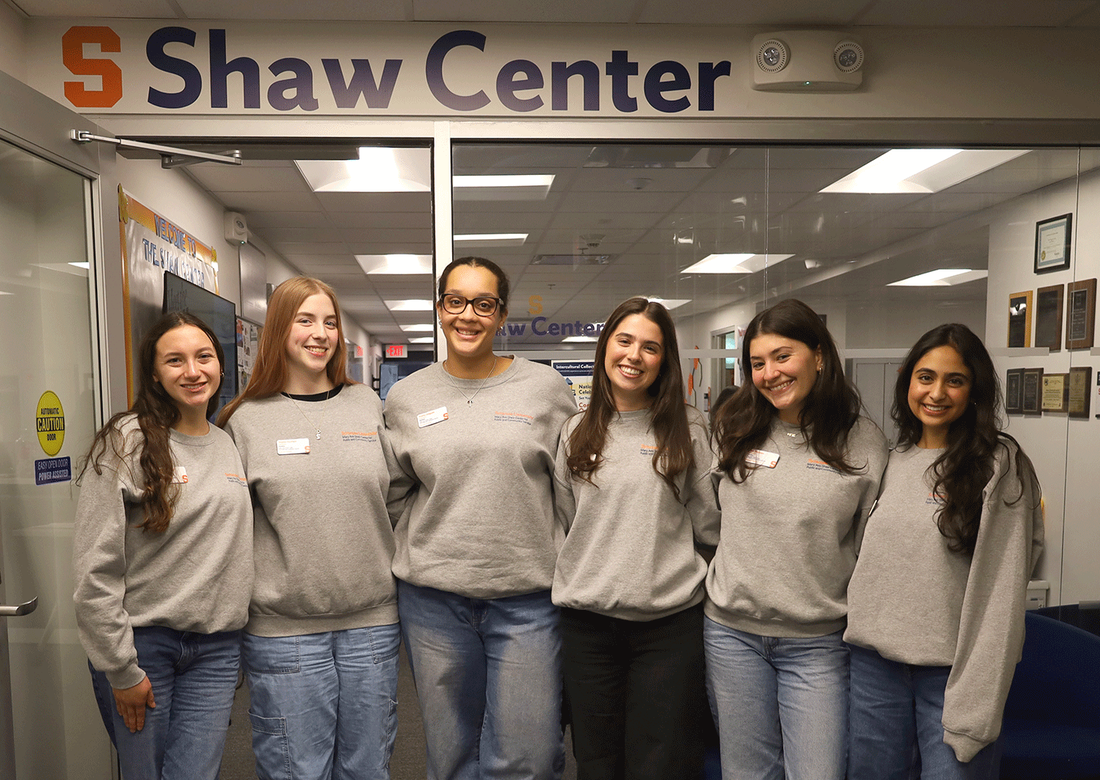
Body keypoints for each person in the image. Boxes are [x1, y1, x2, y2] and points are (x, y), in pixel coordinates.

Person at [384, 256, 577, 780]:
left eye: (483, 304)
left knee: (529, 755)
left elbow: (568, 493)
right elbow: (395, 495)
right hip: (433, 603)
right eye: (456, 301)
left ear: (501, 314)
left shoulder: (546, 388)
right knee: (451, 755)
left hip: (528, 602)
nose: (468, 315)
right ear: (440, 308)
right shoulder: (405, 398)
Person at [218, 277, 401, 780]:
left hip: (373, 625)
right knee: (298, 771)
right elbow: (227, 530)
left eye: (329, 322)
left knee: (369, 768)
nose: (320, 333)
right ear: (279, 329)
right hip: (285, 634)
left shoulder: (368, 405)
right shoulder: (244, 421)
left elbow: (399, 498)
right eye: (305, 320)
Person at [845, 323, 1044, 779]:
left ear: (974, 390)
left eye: (955, 380)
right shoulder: (887, 460)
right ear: (907, 382)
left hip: (951, 675)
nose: (937, 392)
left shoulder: (999, 464)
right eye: (925, 377)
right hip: (874, 667)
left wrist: (978, 702)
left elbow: (1002, 593)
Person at [705, 298, 888, 780]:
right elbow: (709, 520)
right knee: (746, 773)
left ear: (820, 356)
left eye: (783, 356)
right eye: (757, 363)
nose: (770, 373)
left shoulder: (862, 440)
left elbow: (872, 546)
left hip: (818, 643)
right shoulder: (733, 428)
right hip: (731, 635)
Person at [73, 311, 253, 780]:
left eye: (204, 357)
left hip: (215, 648)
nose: (193, 371)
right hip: (143, 646)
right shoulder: (127, 441)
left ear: (219, 365)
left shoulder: (227, 443)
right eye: (175, 360)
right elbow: (96, 569)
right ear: (154, 373)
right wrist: (121, 667)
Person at [552, 297, 720, 780]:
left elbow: (709, 524)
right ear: (606, 347)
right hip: (588, 626)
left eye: (650, 347)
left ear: (664, 360)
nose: (634, 355)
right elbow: (569, 524)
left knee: (663, 762)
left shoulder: (688, 428)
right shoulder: (574, 431)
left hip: (668, 626)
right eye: (624, 341)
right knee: (597, 759)